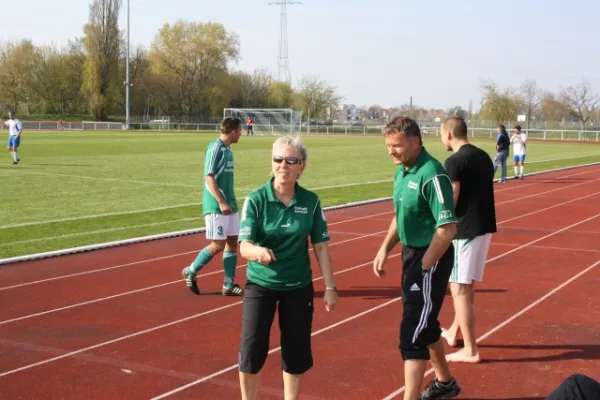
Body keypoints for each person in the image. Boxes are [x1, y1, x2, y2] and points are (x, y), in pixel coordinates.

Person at [236, 135, 338, 400]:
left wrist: (330, 287)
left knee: (295, 353)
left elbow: (321, 247)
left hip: (298, 287)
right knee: (251, 350)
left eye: (291, 160)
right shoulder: (256, 200)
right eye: (278, 159)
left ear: (301, 166)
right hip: (261, 285)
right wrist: (258, 252)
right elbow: (243, 246)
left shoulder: (311, 202)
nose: (283, 165)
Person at [373, 116, 461, 400]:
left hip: (430, 258)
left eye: (396, 146)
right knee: (427, 323)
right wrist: (385, 248)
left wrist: (424, 266)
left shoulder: (432, 174)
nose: (391, 152)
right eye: (388, 146)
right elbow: (402, 215)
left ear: (415, 141)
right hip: (411, 255)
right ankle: (445, 384)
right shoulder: (403, 170)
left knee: (412, 331)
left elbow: (447, 229)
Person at [438, 116, 497, 364]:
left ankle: (470, 350)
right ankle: (454, 331)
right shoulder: (483, 156)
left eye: (441, 134)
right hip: (484, 227)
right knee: (466, 286)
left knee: (459, 289)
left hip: (464, 230)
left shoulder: (454, 161)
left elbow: (452, 196)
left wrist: (439, 224)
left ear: (449, 134)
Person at [182, 117, 244, 296]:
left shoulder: (228, 149)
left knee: (233, 241)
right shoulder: (215, 148)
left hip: (230, 204)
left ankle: (228, 285)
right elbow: (208, 177)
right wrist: (221, 202)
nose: (241, 134)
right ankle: (191, 271)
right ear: (233, 130)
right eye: (239, 130)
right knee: (218, 244)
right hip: (217, 206)